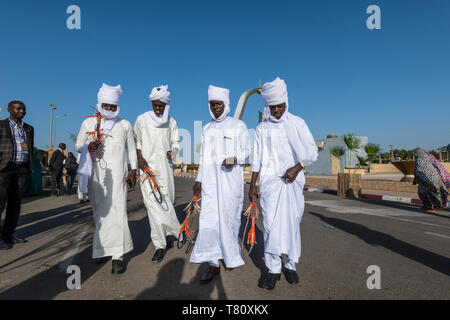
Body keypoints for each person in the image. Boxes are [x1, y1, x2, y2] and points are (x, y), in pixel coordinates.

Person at [248, 77, 318, 290]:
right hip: (270, 185)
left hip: (293, 185)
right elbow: (257, 158)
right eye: (273, 106)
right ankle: (273, 269)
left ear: (286, 103)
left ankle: (290, 265)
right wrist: (252, 185)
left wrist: (296, 169)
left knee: (292, 224)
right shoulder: (262, 128)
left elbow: (312, 152)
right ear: (267, 106)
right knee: (269, 227)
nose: (277, 109)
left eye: (280, 105)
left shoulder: (298, 123)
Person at [75, 83, 138, 274]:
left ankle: (118, 256)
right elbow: (78, 145)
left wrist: (133, 170)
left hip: (118, 176)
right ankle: (102, 249)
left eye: (113, 106)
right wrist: (88, 146)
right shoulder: (88, 123)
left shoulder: (124, 124)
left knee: (118, 213)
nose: (109, 109)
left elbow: (132, 149)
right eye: (106, 106)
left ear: (117, 106)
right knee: (100, 214)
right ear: (100, 104)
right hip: (95, 176)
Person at [190, 85, 250, 283]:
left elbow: (247, 150)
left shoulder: (237, 126)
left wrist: (234, 158)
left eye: (218, 103)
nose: (215, 107)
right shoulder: (206, 129)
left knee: (230, 220)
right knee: (209, 222)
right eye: (212, 104)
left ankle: (230, 256)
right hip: (209, 183)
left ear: (226, 104)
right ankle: (213, 263)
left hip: (229, 182)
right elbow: (203, 156)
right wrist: (199, 179)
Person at [134, 85, 181, 263]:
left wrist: (173, 153)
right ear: (151, 103)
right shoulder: (141, 119)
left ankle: (168, 235)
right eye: (155, 105)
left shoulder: (172, 122)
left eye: (161, 105)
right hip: (147, 169)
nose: (158, 108)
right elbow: (136, 141)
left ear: (167, 105)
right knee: (153, 206)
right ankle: (160, 244)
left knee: (166, 201)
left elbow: (175, 143)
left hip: (165, 168)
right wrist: (139, 158)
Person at [0, 100, 34, 249]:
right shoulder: (1, 125)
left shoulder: (29, 128)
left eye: (24, 109)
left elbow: (30, 147)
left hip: (22, 169)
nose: (22, 111)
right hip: (4, 168)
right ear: (9, 109)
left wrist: (28, 167)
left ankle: (8, 234)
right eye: (18, 108)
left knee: (15, 204)